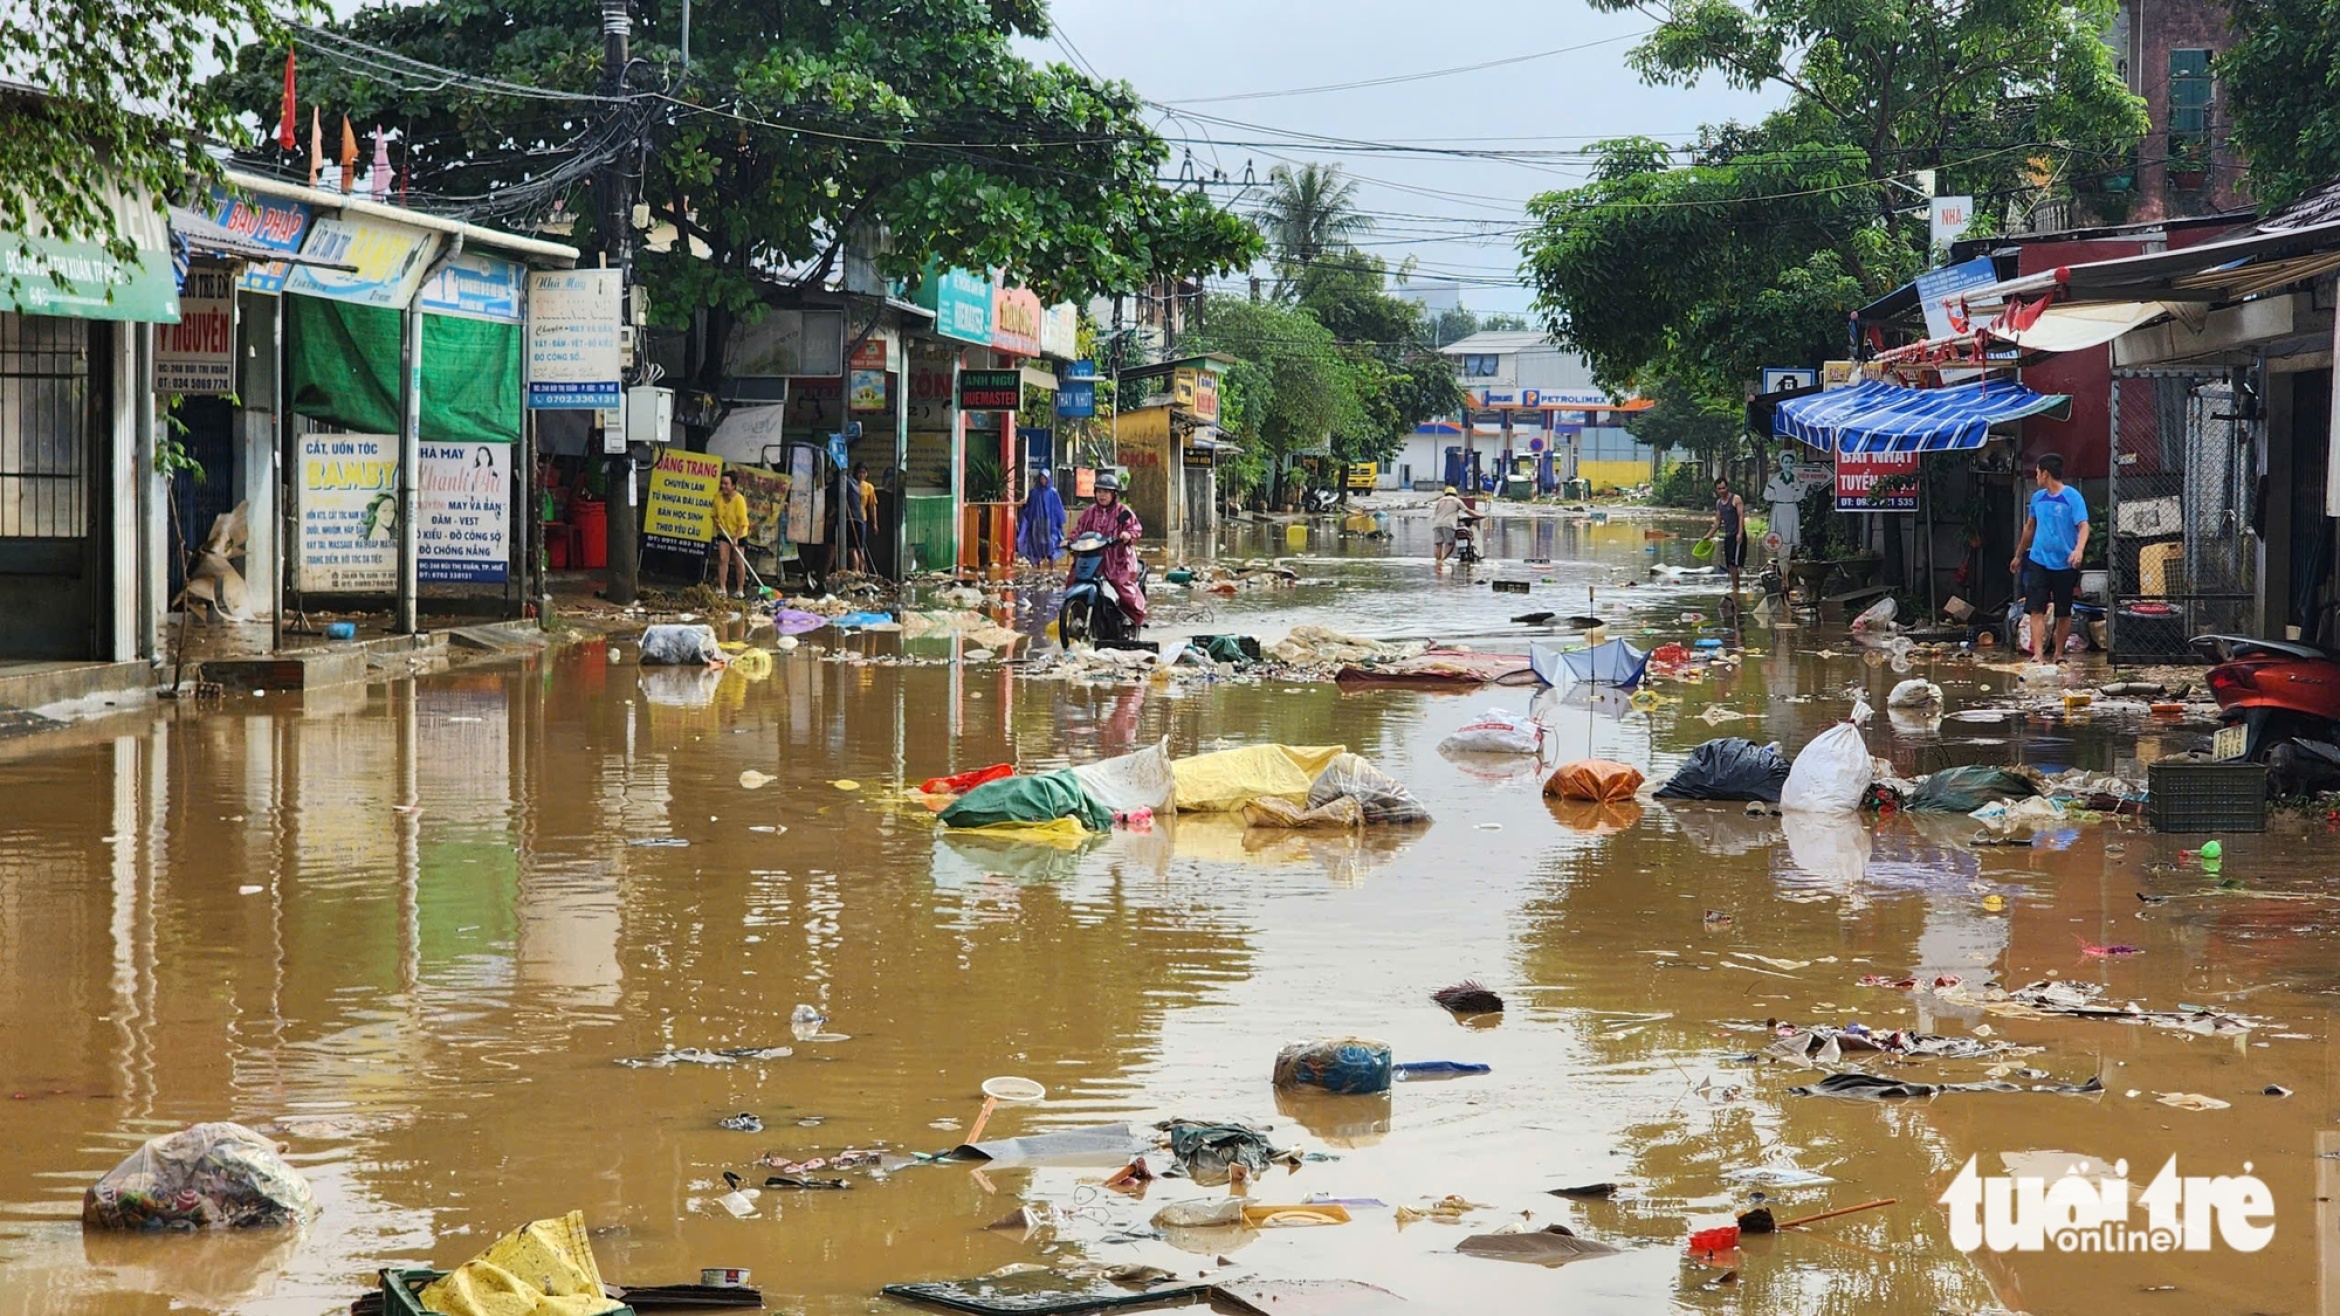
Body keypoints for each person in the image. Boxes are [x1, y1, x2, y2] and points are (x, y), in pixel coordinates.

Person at [2011, 452, 2090, 665]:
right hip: (2038, 560)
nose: (2036, 477)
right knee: (2036, 608)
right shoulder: (2038, 498)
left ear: (2045, 474)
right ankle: (2038, 654)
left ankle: (2058, 654)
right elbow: (2029, 528)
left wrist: (2078, 550)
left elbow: (2083, 526)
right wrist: (2019, 555)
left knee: (2063, 611)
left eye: (2037, 472)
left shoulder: (2072, 497)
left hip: (2065, 563)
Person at [1070, 472, 1146, 625]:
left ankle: (1132, 617)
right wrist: (1069, 541)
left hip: (1117, 558)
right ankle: (1077, 615)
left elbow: (1135, 528)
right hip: (1092, 557)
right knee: (1073, 579)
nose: (1102, 495)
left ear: (1114, 494)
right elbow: (1078, 530)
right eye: (1099, 491)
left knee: (1122, 585)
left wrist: (1127, 535)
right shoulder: (1089, 512)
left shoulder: (1122, 511)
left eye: (1106, 492)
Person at [712, 469, 750, 598]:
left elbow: (743, 522)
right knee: (723, 559)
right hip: (724, 532)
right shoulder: (717, 497)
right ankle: (723, 588)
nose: (723, 486)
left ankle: (740, 589)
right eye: (722, 483)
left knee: (739, 561)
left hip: (739, 533)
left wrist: (736, 538)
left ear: (733, 485)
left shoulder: (739, 500)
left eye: (726, 484)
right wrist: (715, 521)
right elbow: (713, 514)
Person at [1017, 470, 1066, 565]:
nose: (1043, 481)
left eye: (1045, 478)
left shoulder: (1053, 492)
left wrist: (1059, 521)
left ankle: (1051, 563)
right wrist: (1024, 507)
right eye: (1041, 478)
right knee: (1036, 543)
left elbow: (1058, 508)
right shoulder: (1034, 492)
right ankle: (1038, 564)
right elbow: (1029, 507)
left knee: (1051, 543)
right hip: (1037, 521)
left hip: (1050, 523)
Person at [1712, 477, 1749, 593]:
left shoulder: (1736, 499)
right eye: (1719, 489)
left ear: (1727, 487)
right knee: (1730, 564)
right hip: (1728, 535)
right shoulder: (1719, 503)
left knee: (1735, 563)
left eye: (1724, 488)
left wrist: (1740, 533)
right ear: (1716, 490)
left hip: (1737, 535)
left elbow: (1741, 516)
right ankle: (1735, 586)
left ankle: (1736, 587)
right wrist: (1708, 535)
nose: (1722, 490)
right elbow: (1718, 522)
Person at [1431, 485, 1468, 570]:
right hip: (1449, 524)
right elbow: (1467, 511)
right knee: (1450, 544)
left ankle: (1438, 562)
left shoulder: (1440, 501)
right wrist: (1479, 515)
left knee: (1439, 545)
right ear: (1455, 494)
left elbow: (1436, 513)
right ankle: (1442, 561)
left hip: (1437, 524)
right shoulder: (1456, 500)